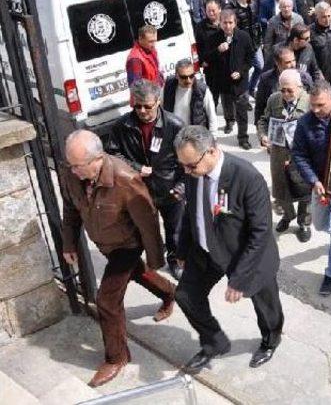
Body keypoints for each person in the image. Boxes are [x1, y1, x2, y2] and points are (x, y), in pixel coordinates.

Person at [61, 130, 175, 387]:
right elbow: (71, 209)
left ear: (98, 159)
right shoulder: (72, 174)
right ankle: (169, 293)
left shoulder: (125, 179)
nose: (73, 171)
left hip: (127, 244)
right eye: (70, 165)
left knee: (107, 300)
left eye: (78, 166)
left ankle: (117, 358)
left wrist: (156, 257)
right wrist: (69, 243)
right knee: (136, 273)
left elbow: (148, 222)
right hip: (104, 242)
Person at [174, 126, 284, 371]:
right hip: (207, 252)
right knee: (185, 295)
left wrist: (239, 280)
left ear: (211, 151)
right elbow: (190, 216)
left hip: (247, 257)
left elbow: (260, 232)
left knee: (266, 306)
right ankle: (214, 342)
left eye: (190, 165)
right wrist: (181, 252)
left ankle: (270, 340)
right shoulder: (194, 173)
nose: (186, 171)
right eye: (183, 165)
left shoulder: (247, 177)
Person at [106, 79, 186, 280]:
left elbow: (188, 161)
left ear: (158, 102)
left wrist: (181, 186)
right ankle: (153, 261)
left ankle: (175, 259)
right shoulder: (122, 126)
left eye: (147, 106)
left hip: (169, 187)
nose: (142, 111)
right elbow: (113, 154)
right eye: (137, 106)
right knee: (144, 230)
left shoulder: (175, 125)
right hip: (138, 189)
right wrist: (136, 168)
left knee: (175, 229)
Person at [291, 80, 331, 296]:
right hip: (319, 185)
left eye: (321, 105)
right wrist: (314, 181)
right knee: (319, 224)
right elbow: (298, 155)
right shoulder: (305, 123)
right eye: (313, 105)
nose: (316, 110)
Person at [257, 69, 312, 241]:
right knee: (281, 189)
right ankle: (288, 215)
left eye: (290, 90)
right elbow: (263, 120)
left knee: (305, 191)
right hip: (279, 153)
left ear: (300, 87)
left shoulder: (311, 101)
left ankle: (304, 222)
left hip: (302, 155)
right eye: (283, 90)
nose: (286, 94)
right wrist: (263, 135)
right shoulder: (274, 99)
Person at [212, 10, 254, 149]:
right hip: (224, 83)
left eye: (230, 22)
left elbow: (250, 58)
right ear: (220, 22)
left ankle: (243, 137)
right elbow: (207, 59)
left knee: (242, 111)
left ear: (235, 23)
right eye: (224, 22)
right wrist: (217, 50)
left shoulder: (243, 37)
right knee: (227, 106)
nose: (228, 26)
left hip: (240, 83)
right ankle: (229, 122)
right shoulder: (215, 37)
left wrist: (241, 72)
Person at [254, 44, 313, 125]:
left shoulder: (304, 78)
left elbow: (311, 102)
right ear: (277, 63)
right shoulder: (266, 79)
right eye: (288, 62)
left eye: (293, 60)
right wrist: (259, 128)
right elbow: (260, 106)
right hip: (276, 126)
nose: (293, 64)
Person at [162, 59, 218, 135]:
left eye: (191, 76)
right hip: (173, 134)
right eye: (184, 77)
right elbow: (159, 109)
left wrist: (213, 138)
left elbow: (212, 115)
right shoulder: (168, 87)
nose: (188, 80)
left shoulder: (202, 90)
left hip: (195, 135)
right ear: (176, 75)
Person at [231, 0, 263, 96]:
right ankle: (243, 94)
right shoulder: (234, 8)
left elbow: (256, 22)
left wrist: (260, 39)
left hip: (255, 42)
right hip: (242, 44)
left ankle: (251, 88)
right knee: (244, 69)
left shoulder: (253, 4)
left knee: (260, 66)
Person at [195, 0, 222, 107]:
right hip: (210, 64)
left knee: (228, 94)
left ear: (219, 10)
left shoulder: (226, 22)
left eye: (213, 10)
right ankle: (212, 116)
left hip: (226, 63)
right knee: (212, 94)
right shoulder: (200, 26)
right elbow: (198, 46)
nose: (211, 13)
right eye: (208, 11)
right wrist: (202, 61)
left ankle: (230, 119)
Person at [263, 0, 304, 64]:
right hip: (280, 55)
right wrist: (268, 59)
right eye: (284, 7)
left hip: (296, 54)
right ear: (279, 8)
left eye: (288, 6)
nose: (286, 9)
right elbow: (268, 41)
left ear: (292, 7)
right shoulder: (273, 21)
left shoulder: (298, 19)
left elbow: (303, 38)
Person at [125, 25, 164, 93]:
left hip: (157, 93)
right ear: (140, 39)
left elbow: (155, 73)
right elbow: (135, 87)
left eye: (155, 41)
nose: (154, 44)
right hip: (147, 99)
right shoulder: (135, 60)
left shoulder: (150, 50)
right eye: (150, 41)